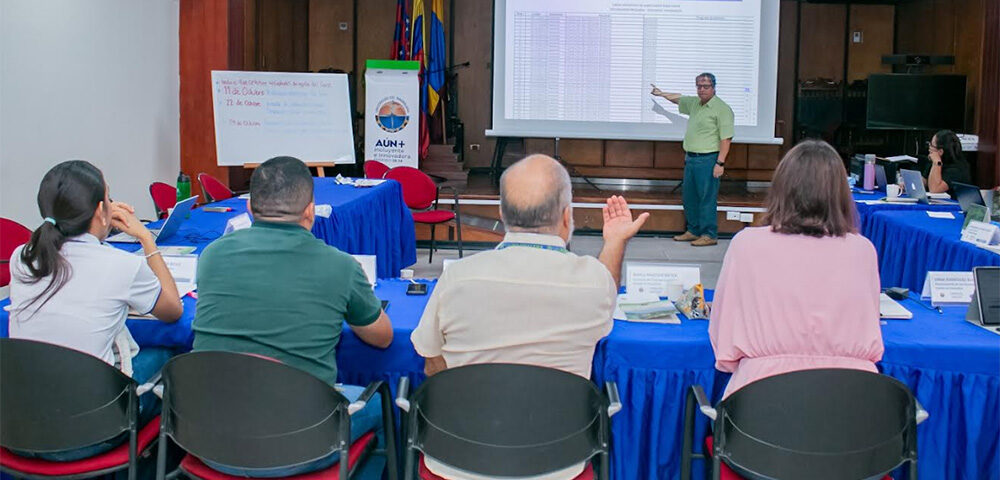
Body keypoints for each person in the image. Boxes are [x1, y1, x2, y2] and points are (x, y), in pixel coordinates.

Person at [410, 154, 647, 479]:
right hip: (558, 465)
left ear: (502, 214)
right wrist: (615, 241)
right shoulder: (593, 283)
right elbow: (605, 287)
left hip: (458, 461)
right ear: (567, 217)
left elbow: (432, 366)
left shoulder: (458, 279)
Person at [192, 156, 393, 477]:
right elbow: (381, 338)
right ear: (311, 211)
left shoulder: (212, 256)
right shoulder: (339, 266)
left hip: (208, 440)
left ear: (248, 209)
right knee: (380, 406)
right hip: (302, 444)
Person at [8, 160, 183, 460]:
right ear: (102, 210)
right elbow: (173, 310)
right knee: (173, 359)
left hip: (21, 425)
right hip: (91, 432)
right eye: (109, 198)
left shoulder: (22, 257)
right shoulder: (120, 265)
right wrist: (143, 236)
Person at [709, 140, 883, 399]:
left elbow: (724, 343)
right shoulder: (862, 249)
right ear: (841, 194)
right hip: (855, 408)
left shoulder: (746, 244)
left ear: (781, 188)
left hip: (760, 405)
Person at [651, 73, 734, 247]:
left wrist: (720, 163)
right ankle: (693, 230)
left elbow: (726, 139)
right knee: (690, 197)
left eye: (706, 86)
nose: (702, 89)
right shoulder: (695, 104)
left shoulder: (722, 109)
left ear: (714, 87)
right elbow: (679, 99)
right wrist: (660, 93)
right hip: (691, 158)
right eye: (699, 86)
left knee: (706, 198)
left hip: (709, 159)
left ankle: (709, 234)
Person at [924, 129, 971, 196]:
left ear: (940, 152)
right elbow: (923, 182)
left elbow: (934, 190)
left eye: (931, 145)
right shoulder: (932, 162)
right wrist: (907, 185)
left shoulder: (957, 170)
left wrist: (937, 163)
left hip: (954, 205)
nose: (929, 148)